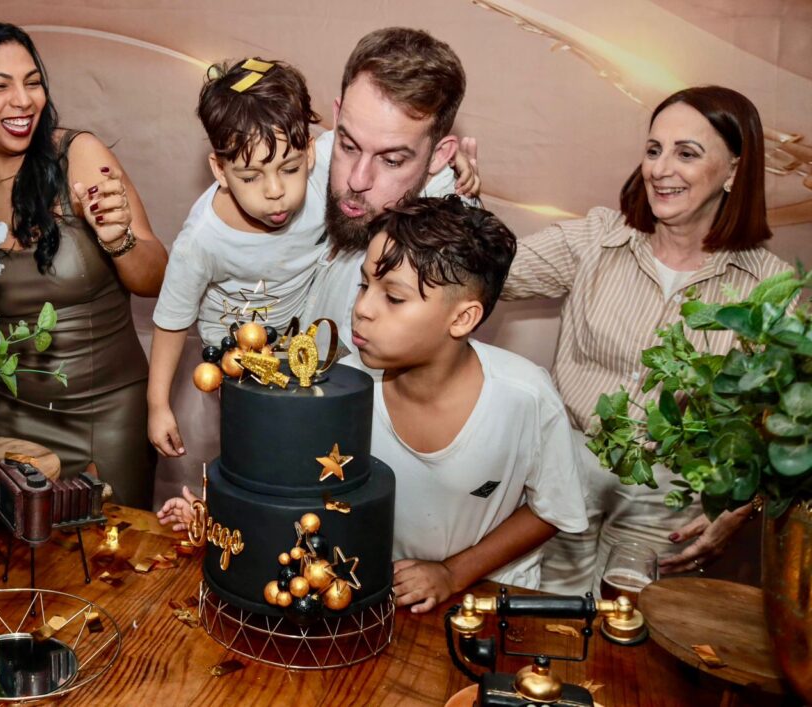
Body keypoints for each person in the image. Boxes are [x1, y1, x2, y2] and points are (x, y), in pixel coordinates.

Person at [158, 196, 589, 613]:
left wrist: (453, 573)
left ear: (462, 318)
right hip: (371, 595)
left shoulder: (525, 396)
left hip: (488, 600)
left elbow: (553, 511)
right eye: (364, 284)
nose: (361, 308)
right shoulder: (337, 391)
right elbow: (294, 496)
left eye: (394, 298)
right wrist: (213, 518)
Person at [499, 86, 791, 594]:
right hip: (565, 473)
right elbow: (483, 273)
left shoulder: (771, 289)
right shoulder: (598, 239)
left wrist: (746, 502)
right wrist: (450, 193)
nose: (660, 168)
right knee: (545, 617)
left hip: (671, 500)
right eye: (654, 149)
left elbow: (791, 421)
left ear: (734, 171)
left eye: (687, 153)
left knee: (636, 630)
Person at [0, 20, 168, 508]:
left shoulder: (78, 157)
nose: (23, 100)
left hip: (103, 413)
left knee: (112, 547)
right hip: (1, 414)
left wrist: (120, 240)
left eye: (33, 82)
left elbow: (156, 277)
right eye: (0, 86)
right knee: (7, 549)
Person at [147, 58, 324, 459]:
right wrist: (157, 405)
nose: (275, 190)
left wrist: (458, 168)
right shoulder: (202, 241)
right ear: (220, 170)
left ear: (310, 152)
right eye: (250, 177)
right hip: (238, 368)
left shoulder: (329, 173)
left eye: (290, 168)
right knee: (257, 459)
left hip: (306, 354)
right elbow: (172, 320)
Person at [303, 27, 481, 348]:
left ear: (439, 155)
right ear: (338, 115)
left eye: (392, 161)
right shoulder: (321, 151)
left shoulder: (440, 250)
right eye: (349, 146)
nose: (357, 180)